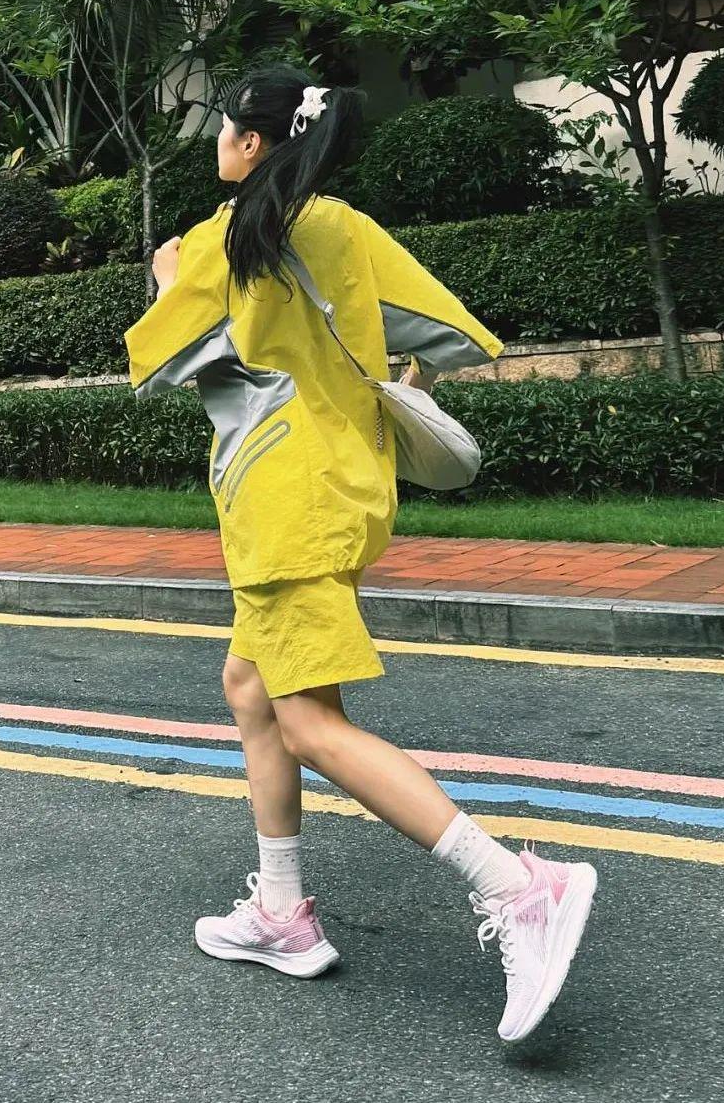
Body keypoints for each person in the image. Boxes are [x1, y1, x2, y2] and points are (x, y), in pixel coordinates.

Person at [124, 64, 596, 1044]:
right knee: (251, 687)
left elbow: (162, 359)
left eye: (223, 129)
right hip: (347, 487)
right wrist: (391, 388)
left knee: (309, 722)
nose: (218, 143)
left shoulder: (224, 239)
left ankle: (521, 888)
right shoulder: (343, 225)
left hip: (281, 502)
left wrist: (168, 281)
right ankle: (280, 912)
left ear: (252, 142)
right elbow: (450, 333)